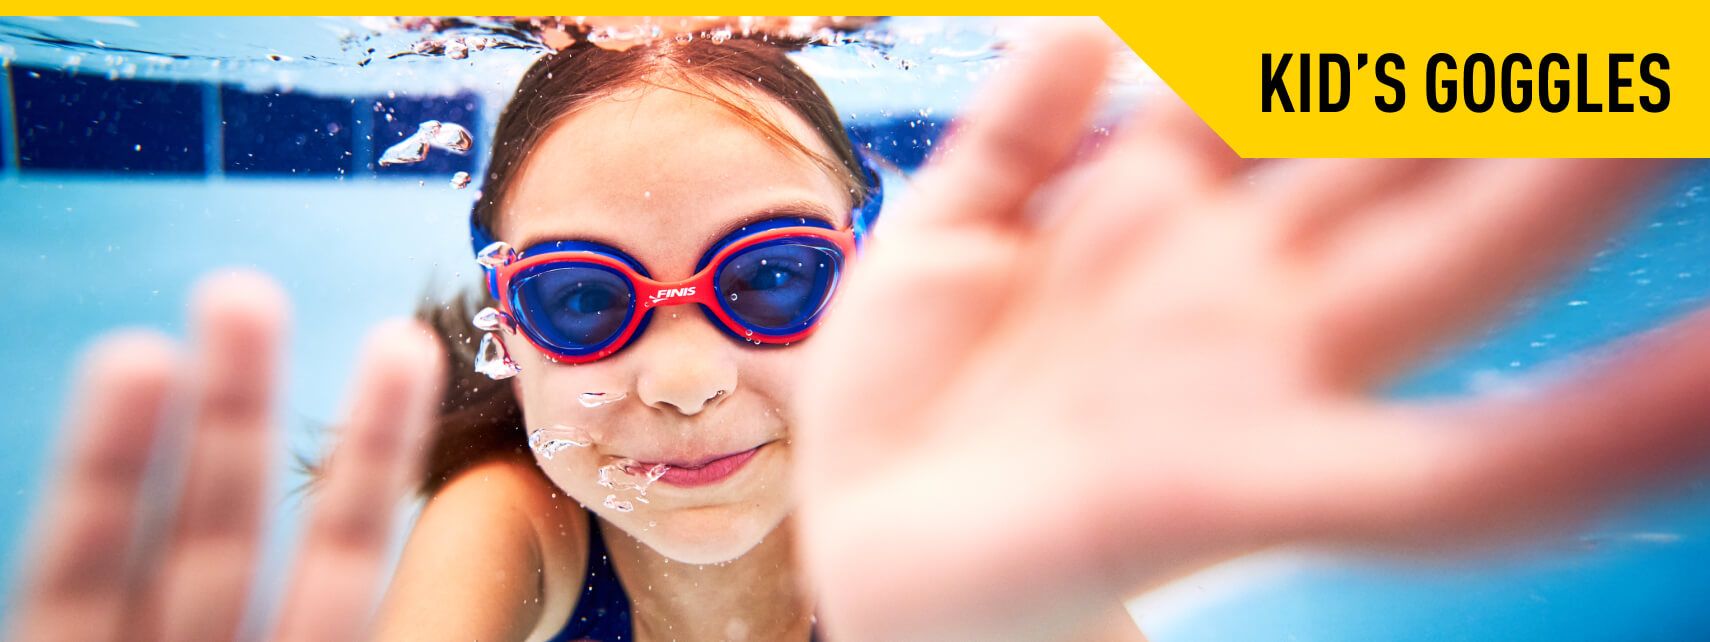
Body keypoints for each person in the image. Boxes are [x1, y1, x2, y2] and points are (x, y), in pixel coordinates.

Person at [10, 19, 1709, 642]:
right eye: (584, 302)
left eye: (768, 280)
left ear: (869, 282)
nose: (684, 377)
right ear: (507, 332)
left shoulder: (952, 536)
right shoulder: (510, 516)